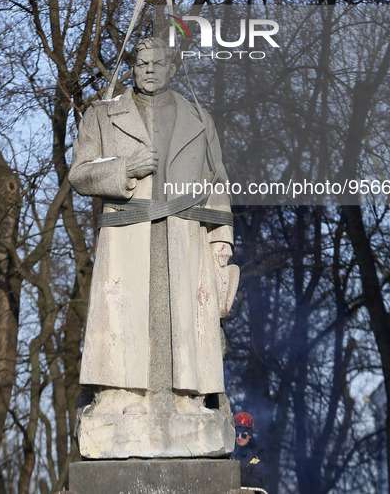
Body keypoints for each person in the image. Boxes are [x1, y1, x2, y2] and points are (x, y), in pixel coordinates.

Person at [69, 37, 239, 426]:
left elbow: (217, 181)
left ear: (173, 69)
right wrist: (124, 169)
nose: (149, 70)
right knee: (123, 314)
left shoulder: (198, 116)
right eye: (142, 63)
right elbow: (79, 173)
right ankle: (119, 395)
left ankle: (188, 399)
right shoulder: (103, 113)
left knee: (187, 318)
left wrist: (220, 242)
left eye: (157, 64)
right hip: (128, 231)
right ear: (132, 67)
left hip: (185, 233)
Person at [232, 412, 269, 492]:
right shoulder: (229, 452)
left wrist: (235, 477)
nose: (239, 437)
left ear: (250, 435)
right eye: (237, 434)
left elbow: (259, 483)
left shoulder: (259, 455)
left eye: (244, 435)